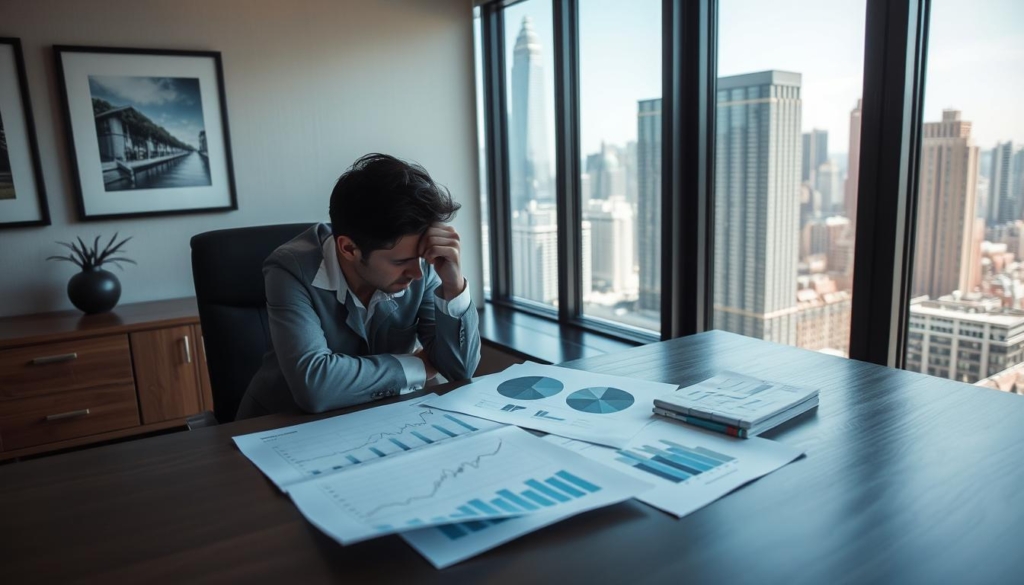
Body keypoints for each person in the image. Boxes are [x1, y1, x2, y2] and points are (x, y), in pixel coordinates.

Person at [236, 153, 481, 419]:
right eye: (401, 262)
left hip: (380, 419)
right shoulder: (289, 270)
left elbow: (459, 370)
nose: (417, 274)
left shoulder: (419, 265)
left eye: (420, 259)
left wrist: (453, 283)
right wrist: (419, 365)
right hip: (282, 424)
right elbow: (314, 387)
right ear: (349, 248)